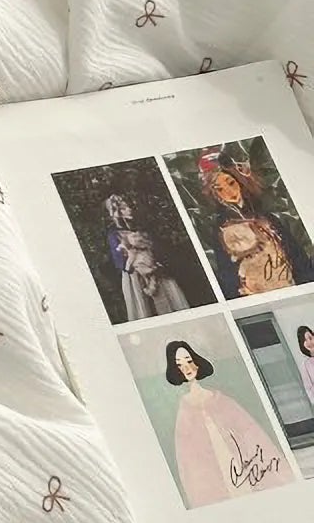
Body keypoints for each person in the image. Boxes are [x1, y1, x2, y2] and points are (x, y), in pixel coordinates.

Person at [166, 339, 292, 507]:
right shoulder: (185, 409)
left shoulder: (220, 399)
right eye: (180, 365)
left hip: (238, 459)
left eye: (189, 361)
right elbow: (187, 455)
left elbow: (249, 430)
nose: (187, 368)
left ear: (197, 362)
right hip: (211, 469)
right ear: (176, 370)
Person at [197, 150, 313, 298]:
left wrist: (307, 283)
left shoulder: (266, 217)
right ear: (215, 194)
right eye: (219, 189)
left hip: (290, 285)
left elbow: (295, 253)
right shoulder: (222, 228)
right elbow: (228, 274)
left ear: (239, 180)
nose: (229, 191)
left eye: (231, 183)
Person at [104, 193, 191, 320]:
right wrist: (132, 257)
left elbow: (156, 249)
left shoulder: (140, 227)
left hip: (155, 269)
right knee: (144, 309)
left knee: (169, 301)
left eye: (129, 206)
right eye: (124, 208)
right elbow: (121, 263)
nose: (129, 209)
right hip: (135, 275)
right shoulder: (114, 235)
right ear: (117, 212)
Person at [297, 325, 314, 411]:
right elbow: (309, 388)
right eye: (305, 340)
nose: (309, 342)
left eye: (310, 338)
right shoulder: (306, 365)